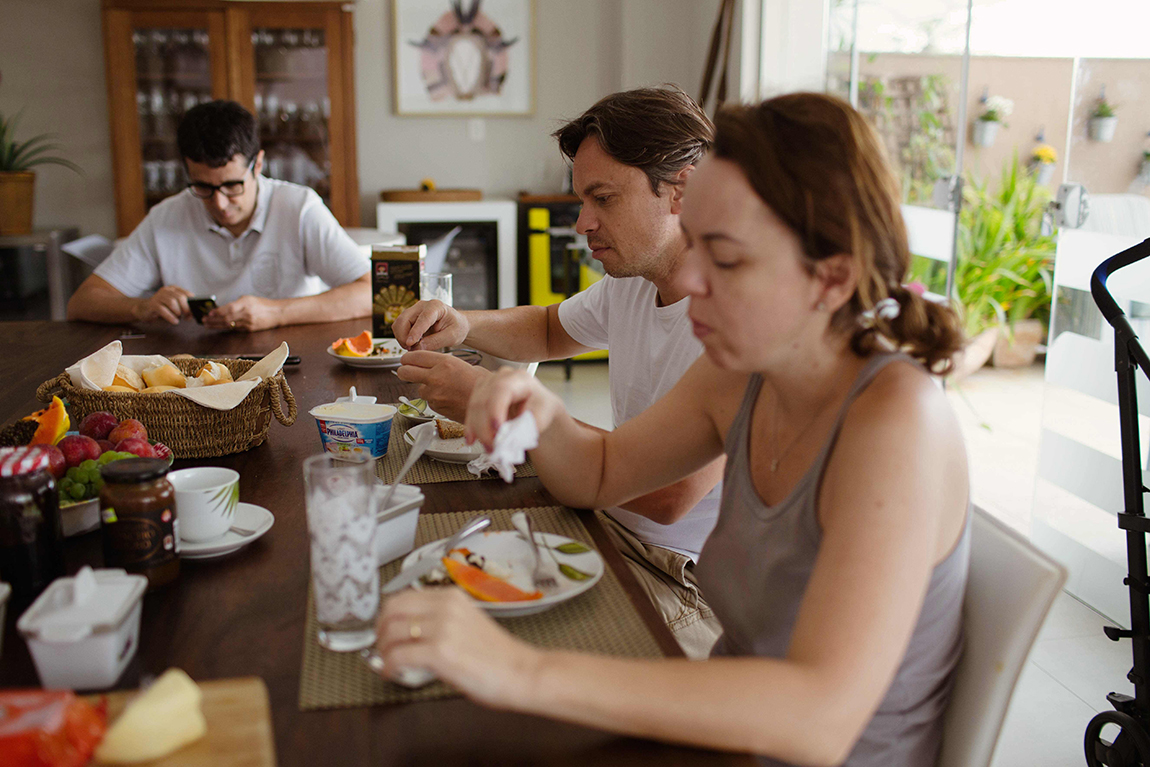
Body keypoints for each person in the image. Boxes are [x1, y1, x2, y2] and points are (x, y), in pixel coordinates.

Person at [373, 93, 971, 767]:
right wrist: (535, 409)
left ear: (829, 278)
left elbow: (818, 718)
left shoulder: (896, 421)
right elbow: (600, 471)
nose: (687, 276)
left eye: (724, 255)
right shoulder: (742, 369)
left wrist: (521, 671)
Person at [392, 87, 726, 658]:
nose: (582, 222)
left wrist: (511, 410)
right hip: (607, 523)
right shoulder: (631, 283)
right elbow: (549, 329)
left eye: (603, 198)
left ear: (679, 190)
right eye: (581, 199)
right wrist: (462, 322)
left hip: (680, 576)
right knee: (428, 576)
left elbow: (668, 495)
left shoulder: (733, 320)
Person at [67, 100, 369, 331]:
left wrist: (276, 313)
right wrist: (140, 307)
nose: (220, 203)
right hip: (193, 370)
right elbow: (82, 302)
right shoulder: (167, 216)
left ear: (259, 164)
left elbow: (370, 292)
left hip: (290, 363)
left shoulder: (299, 206)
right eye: (203, 187)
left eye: (232, 185)